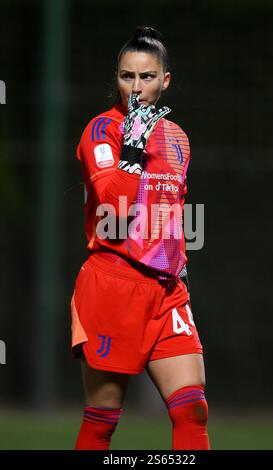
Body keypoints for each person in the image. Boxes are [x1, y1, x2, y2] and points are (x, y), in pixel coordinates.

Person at [70, 25, 210, 451]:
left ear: (165, 80)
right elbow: (115, 206)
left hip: (166, 294)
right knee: (102, 420)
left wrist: (177, 259)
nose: (135, 87)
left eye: (146, 77)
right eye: (126, 76)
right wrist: (131, 150)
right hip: (113, 285)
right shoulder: (102, 131)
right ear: (116, 77)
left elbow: (169, 213)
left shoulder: (176, 138)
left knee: (192, 410)